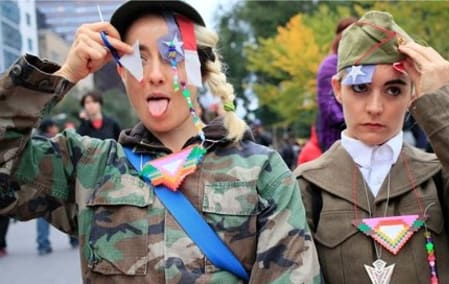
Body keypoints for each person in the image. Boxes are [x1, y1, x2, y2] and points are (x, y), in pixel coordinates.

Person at [0, 1, 320, 283]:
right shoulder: (86, 166)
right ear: (123, 75)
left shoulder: (261, 172)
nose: (154, 74)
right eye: (138, 60)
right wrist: (64, 75)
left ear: (200, 70)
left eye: (173, 55)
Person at [295, 11, 449, 283]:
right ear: (337, 89)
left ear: (413, 93)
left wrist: (441, 99)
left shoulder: (439, 178)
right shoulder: (307, 187)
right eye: (360, 88)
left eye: (393, 90)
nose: (375, 107)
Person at [34, 118, 78, 255]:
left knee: (43, 215)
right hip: (59, 184)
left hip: (40, 186)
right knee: (67, 212)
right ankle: (74, 240)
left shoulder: (35, 142)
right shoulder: (55, 142)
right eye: (54, 126)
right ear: (49, 128)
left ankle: (42, 244)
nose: (56, 128)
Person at [316, 16, 357, 152]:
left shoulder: (361, 64)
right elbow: (327, 104)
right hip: (336, 136)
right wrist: (354, 121)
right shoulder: (331, 64)